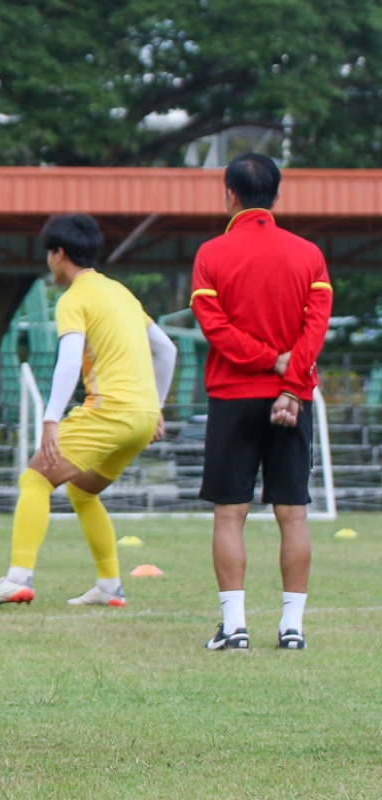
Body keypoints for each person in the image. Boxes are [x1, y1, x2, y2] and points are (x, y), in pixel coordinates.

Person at [0, 214, 177, 610]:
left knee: (34, 479)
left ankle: (17, 578)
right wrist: (158, 407)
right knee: (83, 491)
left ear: (58, 253)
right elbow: (167, 350)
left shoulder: (75, 297)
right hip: (143, 416)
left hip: (110, 411)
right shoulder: (121, 292)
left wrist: (50, 419)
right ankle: (110, 586)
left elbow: (67, 360)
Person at [191, 154, 332, 651]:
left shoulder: (211, 253)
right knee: (292, 514)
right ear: (276, 195)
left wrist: (269, 361)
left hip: (232, 395)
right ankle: (292, 628)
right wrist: (292, 383)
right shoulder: (309, 255)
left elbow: (215, 329)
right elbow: (315, 329)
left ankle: (234, 629)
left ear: (230, 194)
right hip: (292, 400)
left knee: (231, 514)